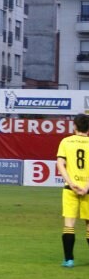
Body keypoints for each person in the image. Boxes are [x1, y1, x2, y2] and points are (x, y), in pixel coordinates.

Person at [56, 113, 89, 268]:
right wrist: (86, 187)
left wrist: (70, 182)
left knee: (69, 224)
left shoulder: (66, 142)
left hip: (70, 189)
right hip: (88, 190)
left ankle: (69, 260)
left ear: (74, 126)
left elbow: (60, 163)